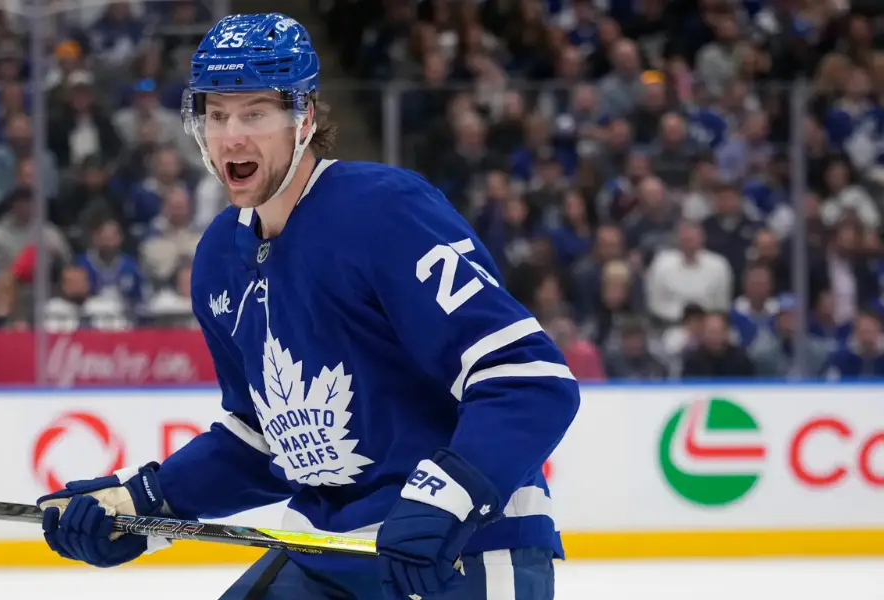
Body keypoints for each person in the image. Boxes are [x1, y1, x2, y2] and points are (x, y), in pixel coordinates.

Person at [35, 13, 579, 600]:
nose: (231, 137)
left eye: (255, 114)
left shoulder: (384, 211)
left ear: (305, 118)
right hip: (326, 554)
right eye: (216, 115)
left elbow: (528, 379)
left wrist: (447, 498)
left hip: (457, 551)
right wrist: (141, 503)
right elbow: (267, 440)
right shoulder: (218, 257)